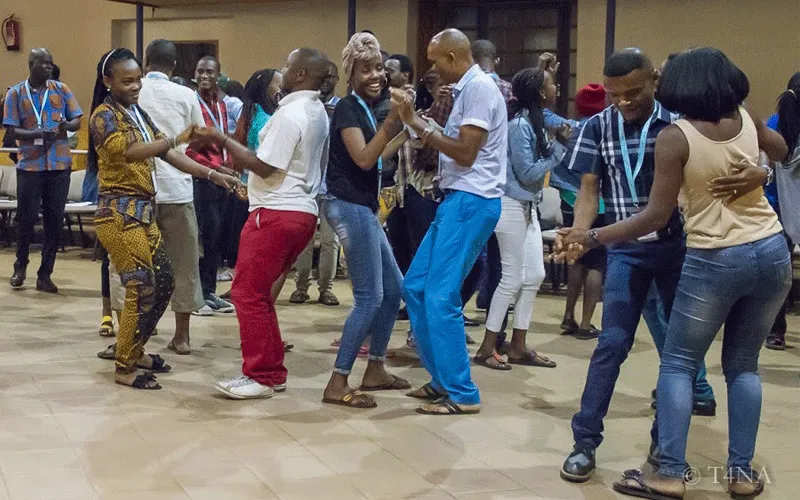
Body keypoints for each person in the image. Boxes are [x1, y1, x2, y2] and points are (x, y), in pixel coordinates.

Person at [559, 47, 788, 500]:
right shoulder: (739, 116)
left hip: (693, 251)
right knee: (626, 346)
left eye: (636, 90)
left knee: (677, 361)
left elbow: (657, 214)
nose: (624, 100)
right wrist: (582, 231)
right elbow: (780, 150)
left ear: (658, 83)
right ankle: (735, 473)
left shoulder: (676, 128)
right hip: (764, 248)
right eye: (614, 94)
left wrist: (593, 239)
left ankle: (668, 465)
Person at [88, 48, 240, 389]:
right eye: (126, 81)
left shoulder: (136, 112)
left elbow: (168, 153)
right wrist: (173, 139)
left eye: (137, 79)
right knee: (140, 286)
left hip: (143, 211)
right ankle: (125, 366)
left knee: (166, 280)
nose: (135, 86)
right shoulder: (103, 116)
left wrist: (213, 175)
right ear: (107, 81)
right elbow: (128, 152)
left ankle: (136, 349)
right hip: (117, 214)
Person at [394, 29, 507, 415]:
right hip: (456, 199)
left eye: (436, 60)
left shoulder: (479, 89)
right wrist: (414, 122)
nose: (433, 69)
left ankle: (461, 392)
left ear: (455, 58)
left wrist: (421, 125)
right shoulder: (464, 90)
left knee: (441, 295)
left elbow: (465, 153)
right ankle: (440, 379)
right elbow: (447, 144)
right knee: (416, 286)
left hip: (473, 200)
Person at [208, 49, 331, 399]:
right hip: (300, 211)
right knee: (258, 295)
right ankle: (271, 371)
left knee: (246, 293)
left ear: (302, 74)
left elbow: (265, 167)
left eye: (288, 66)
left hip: (276, 211)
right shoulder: (316, 109)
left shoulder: (291, 113)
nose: (283, 70)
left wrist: (220, 138)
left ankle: (261, 374)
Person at [321, 32, 409, 409]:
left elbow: (380, 154)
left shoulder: (363, 108)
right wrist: (391, 122)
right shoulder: (347, 109)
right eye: (366, 69)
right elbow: (362, 159)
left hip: (363, 206)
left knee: (393, 292)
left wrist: (407, 128)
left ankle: (375, 368)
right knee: (370, 298)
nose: (376, 76)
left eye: (379, 69)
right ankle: (337, 381)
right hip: (347, 204)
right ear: (350, 72)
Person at [474, 67, 565, 371]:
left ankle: (518, 346)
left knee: (535, 274)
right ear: (540, 92)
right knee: (512, 278)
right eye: (552, 84)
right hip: (511, 203)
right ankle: (487, 348)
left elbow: (570, 127)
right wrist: (558, 151)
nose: (557, 88)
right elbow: (527, 174)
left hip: (528, 205)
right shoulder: (519, 126)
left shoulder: (537, 121)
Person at [137, 39, 207, 355]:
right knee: (184, 265)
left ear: (145, 61)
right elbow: (199, 135)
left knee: (138, 265)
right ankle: (182, 336)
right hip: (178, 188)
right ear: (174, 66)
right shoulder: (186, 94)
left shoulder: (133, 90)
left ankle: (138, 331)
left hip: (139, 190)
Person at [4, 48, 83, 293]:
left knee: (53, 221)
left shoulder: (62, 90)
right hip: (30, 165)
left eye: (51, 62)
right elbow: (12, 130)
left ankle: (45, 274)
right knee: (26, 219)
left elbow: (77, 120)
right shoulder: (16, 93)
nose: (49, 67)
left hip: (59, 165)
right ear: (31, 64)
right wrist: (38, 133)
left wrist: (65, 127)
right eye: (44, 62)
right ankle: (20, 266)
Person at [552, 83, 607, 340]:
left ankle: (567, 316)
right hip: (599, 202)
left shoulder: (569, 131)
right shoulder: (603, 130)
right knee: (596, 262)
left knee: (575, 254)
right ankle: (586, 324)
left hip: (568, 198)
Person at [186, 56, 237, 315]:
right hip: (203, 177)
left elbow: (222, 142)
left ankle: (209, 292)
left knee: (217, 239)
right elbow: (188, 150)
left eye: (210, 72)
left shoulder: (221, 105)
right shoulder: (192, 104)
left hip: (223, 180)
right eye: (200, 71)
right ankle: (196, 297)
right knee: (204, 238)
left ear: (219, 75)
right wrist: (217, 169)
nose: (205, 76)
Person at [289, 62, 342, 307]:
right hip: (307, 182)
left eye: (331, 76)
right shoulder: (306, 107)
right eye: (323, 76)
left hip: (332, 184)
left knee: (331, 241)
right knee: (304, 239)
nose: (326, 81)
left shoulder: (342, 109)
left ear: (337, 79)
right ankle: (301, 286)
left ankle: (326, 288)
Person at [763, 72, 800, 351]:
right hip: (787, 207)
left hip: (776, 208)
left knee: (778, 277)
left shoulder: (775, 123)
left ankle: (776, 332)